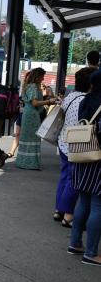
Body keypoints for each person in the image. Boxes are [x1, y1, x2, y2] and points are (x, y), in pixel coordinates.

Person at [54, 67, 94, 226]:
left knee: (65, 177)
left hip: (63, 141)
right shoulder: (85, 100)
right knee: (74, 180)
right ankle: (68, 215)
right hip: (76, 144)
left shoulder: (71, 96)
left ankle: (58, 210)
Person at [69, 69, 101, 266]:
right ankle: (91, 253)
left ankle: (75, 243)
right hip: (98, 159)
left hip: (82, 155)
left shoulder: (85, 100)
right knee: (98, 206)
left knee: (83, 201)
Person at [15, 68, 58, 170]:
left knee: (27, 137)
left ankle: (23, 161)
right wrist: (49, 101)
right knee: (33, 138)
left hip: (28, 113)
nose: (43, 78)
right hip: (32, 115)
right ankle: (30, 163)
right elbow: (35, 103)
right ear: (37, 76)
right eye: (42, 76)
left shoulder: (29, 86)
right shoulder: (34, 87)